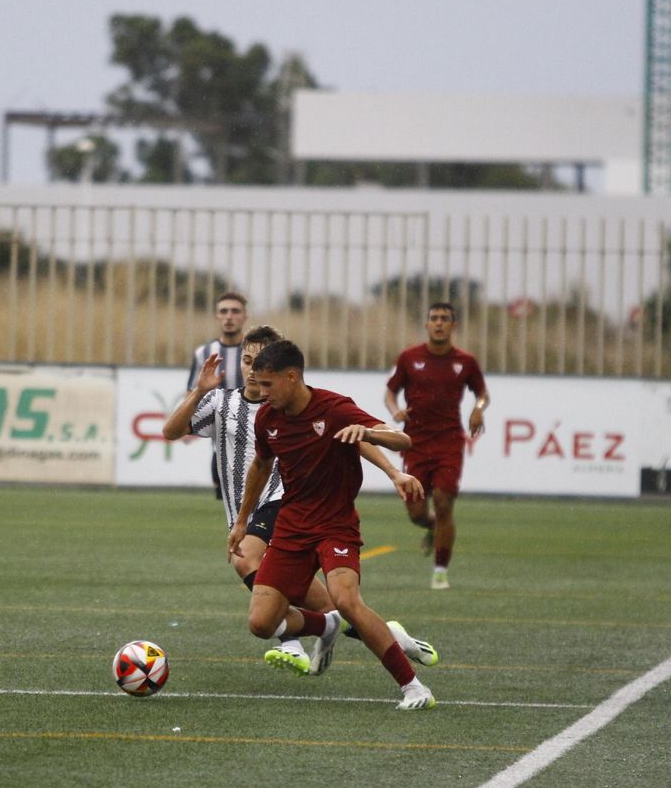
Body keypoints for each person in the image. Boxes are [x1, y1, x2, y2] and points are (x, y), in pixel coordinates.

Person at [163, 326, 437, 676]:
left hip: (286, 501)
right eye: (246, 361)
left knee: (245, 559)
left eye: (258, 363)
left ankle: (291, 643)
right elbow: (171, 432)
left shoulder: (294, 403)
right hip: (246, 509)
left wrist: (392, 472)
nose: (250, 369)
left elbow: (351, 435)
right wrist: (198, 391)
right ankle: (382, 634)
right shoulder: (222, 401)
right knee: (323, 603)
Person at [230, 340, 441, 710]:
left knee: (345, 600)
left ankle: (413, 687)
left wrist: (373, 439)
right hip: (292, 525)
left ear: (291, 378)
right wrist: (242, 521)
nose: (260, 393)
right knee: (262, 624)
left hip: (335, 524)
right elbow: (261, 467)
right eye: (258, 385)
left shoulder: (334, 408)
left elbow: (402, 438)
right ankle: (328, 627)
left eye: (267, 385)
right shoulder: (268, 418)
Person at [384, 302, 488, 590]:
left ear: (453, 326)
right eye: (434, 318)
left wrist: (478, 408)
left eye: (445, 319)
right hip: (415, 442)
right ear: (427, 324)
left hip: (449, 442)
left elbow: (482, 394)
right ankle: (432, 527)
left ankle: (440, 570)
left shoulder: (465, 361)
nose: (439, 323)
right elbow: (390, 391)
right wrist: (394, 410)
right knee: (417, 513)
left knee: (443, 502)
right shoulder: (409, 357)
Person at [188, 292, 250, 498]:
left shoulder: (256, 350)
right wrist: (187, 422)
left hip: (253, 423)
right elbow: (192, 391)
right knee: (224, 479)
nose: (229, 316)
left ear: (244, 316)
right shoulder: (205, 352)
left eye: (235, 311)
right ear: (217, 316)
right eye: (224, 311)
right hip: (221, 427)